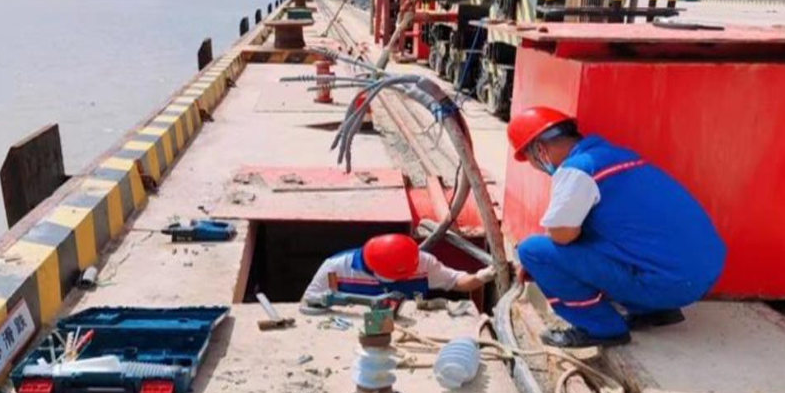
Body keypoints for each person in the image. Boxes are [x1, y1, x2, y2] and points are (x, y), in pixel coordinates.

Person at [507, 106, 726, 348]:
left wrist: (539, 264)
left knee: (532, 251)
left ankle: (601, 328)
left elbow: (561, 236)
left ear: (540, 150)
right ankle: (654, 311)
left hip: (669, 283)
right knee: (607, 237)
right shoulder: (619, 156)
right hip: (701, 275)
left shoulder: (576, 170)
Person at [302, 233, 494, 308]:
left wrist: (481, 277)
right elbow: (308, 302)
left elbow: (455, 281)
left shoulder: (421, 262)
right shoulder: (336, 268)